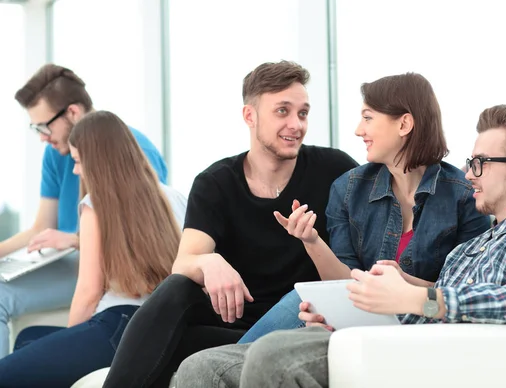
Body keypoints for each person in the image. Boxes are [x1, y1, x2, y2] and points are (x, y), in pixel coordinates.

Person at [174, 103, 506, 388]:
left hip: (434, 357)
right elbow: (423, 311)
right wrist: (347, 313)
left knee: (274, 357)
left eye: (480, 163)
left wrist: (419, 296)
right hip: (401, 338)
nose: (468, 172)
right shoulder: (469, 250)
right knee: (202, 368)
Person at [101, 60, 358, 388]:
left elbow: (355, 264)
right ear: (250, 116)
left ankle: (217, 365)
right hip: (234, 327)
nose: (296, 124)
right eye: (282, 111)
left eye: (303, 113)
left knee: (175, 355)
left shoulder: (334, 169)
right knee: (177, 290)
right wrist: (209, 261)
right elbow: (184, 263)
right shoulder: (215, 182)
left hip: (299, 323)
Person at [237, 72, 491, 343]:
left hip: (422, 332)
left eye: (368, 118)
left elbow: (467, 295)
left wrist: (403, 285)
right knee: (218, 363)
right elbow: (345, 284)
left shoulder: (464, 197)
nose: (359, 130)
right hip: (359, 321)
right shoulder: (347, 189)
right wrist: (311, 240)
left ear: (404, 124)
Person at [0, 111, 186, 387]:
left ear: (97, 160)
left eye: (77, 161)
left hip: (115, 326)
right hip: (159, 328)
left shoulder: (96, 205)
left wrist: (70, 344)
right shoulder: (174, 196)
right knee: (29, 337)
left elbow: (88, 294)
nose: (75, 170)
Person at [0, 64, 167, 358]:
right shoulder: (55, 153)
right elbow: (41, 227)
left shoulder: (133, 150)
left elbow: (147, 241)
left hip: (105, 268)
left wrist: (77, 240)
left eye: (44, 126)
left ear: (73, 113)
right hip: (68, 262)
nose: (42, 136)